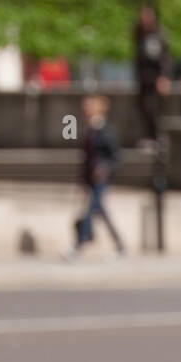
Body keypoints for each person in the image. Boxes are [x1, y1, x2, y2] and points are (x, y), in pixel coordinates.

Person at [65, 95, 124, 260]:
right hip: (91, 179)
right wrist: (82, 181)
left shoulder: (105, 131)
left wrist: (104, 168)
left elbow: (115, 156)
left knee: (91, 211)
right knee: (101, 213)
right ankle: (120, 246)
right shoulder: (90, 131)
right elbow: (86, 159)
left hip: (101, 180)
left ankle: (78, 246)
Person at [134, 6, 171, 146]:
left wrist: (164, 76)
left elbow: (164, 58)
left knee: (154, 109)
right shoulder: (139, 35)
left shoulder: (159, 35)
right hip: (144, 79)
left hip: (155, 78)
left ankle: (157, 137)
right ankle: (149, 136)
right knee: (144, 107)